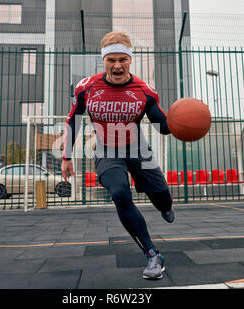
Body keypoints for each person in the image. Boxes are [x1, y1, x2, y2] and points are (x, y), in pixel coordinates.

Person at [61, 31, 175, 280]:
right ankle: (153, 254)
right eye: (111, 60)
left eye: (122, 59)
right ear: (103, 61)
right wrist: (66, 156)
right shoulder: (86, 88)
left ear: (130, 60)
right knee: (120, 194)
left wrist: (183, 121)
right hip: (106, 150)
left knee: (163, 200)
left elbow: (162, 125)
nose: (117, 65)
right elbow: (73, 120)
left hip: (138, 150)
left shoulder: (144, 91)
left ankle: (165, 205)